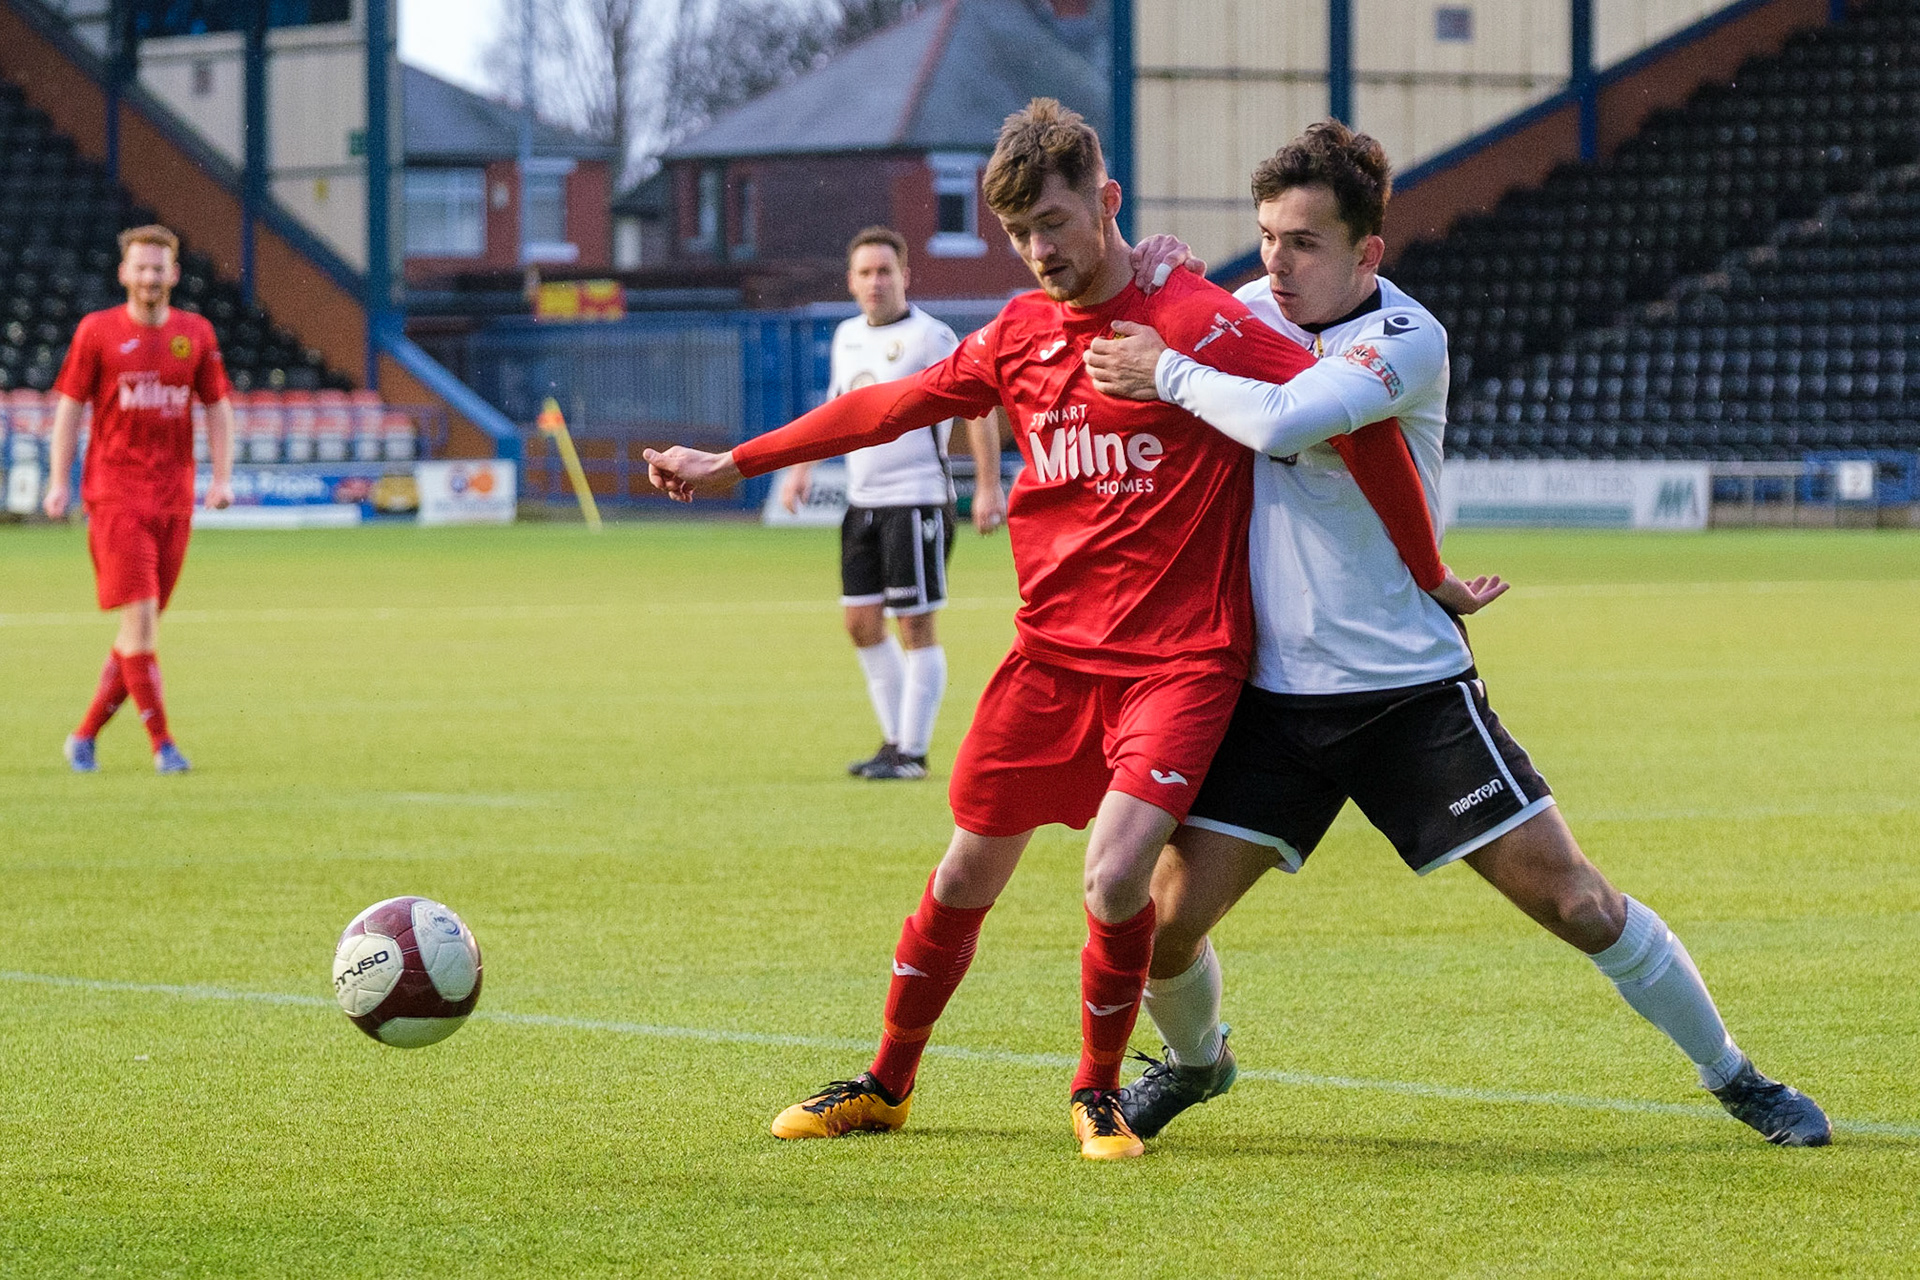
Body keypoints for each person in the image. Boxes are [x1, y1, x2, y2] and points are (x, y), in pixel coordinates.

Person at [647, 99, 1492, 1160]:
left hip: (1182, 664)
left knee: (1113, 871)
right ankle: (886, 1081)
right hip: (1049, 658)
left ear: (1108, 202)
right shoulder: (1016, 334)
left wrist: (1430, 572)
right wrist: (737, 460)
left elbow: (1358, 430)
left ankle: (1095, 1091)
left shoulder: (1200, 321)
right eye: (1019, 233)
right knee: (962, 876)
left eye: (1055, 221)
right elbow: (892, 407)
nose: (1041, 250)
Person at [1082, 120, 1830, 1147]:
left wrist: (1167, 367)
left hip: (1406, 694)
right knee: (1158, 925)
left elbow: (1286, 421)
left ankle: (1737, 1074)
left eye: (1303, 242)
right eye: (1265, 237)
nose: (1275, 263)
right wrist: (1156, 280)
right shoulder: (1241, 312)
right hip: (1269, 694)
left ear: (1366, 253)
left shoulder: (1406, 338)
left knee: (1575, 902)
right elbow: (1138, 313)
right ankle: (1200, 1063)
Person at [777, 226, 1007, 781]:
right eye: (865, 273)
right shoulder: (846, 336)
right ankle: (893, 741)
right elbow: (836, 410)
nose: (876, 282)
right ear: (851, 282)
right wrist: (801, 468)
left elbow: (978, 408)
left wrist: (988, 485)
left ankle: (913, 752)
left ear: (906, 276)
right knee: (859, 623)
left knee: (914, 626)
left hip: (918, 500)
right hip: (863, 502)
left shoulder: (932, 338)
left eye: (886, 271)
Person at [44, 224, 235, 775]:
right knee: (143, 627)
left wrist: (221, 478)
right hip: (115, 495)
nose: (150, 276)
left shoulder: (194, 334)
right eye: (141, 267)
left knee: (136, 632)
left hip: (175, 498)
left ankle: (82, 738)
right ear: (123, 272)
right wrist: (60, 480)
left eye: (159, 267)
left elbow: (217, 406)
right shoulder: (97, 332)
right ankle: (163, 746)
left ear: (173, 274)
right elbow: (69, 408)